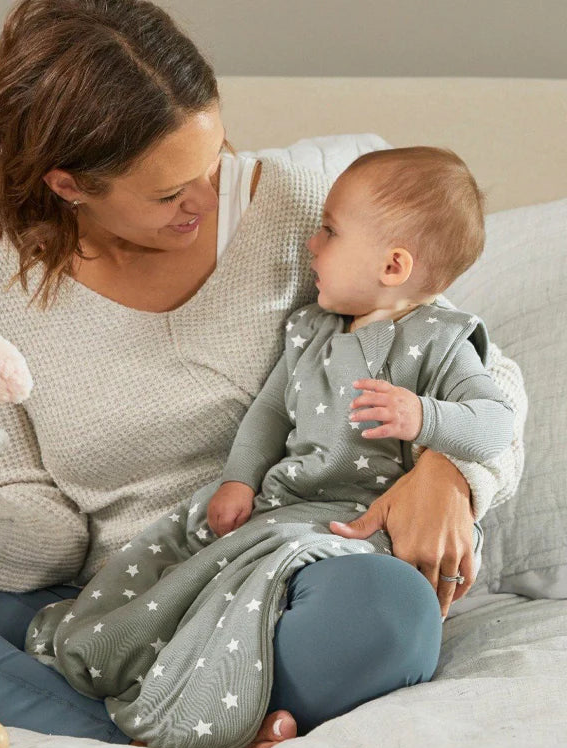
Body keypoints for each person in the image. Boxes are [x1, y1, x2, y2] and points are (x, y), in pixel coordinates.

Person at [0, 0, 525, 748]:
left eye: (214, 159)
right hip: (92, 603)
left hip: (265, 585)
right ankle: (158, 729)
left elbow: (464, 361)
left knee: (389, 612)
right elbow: (50, 544)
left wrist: (450, 471)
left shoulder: (301, 214)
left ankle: (122, 714)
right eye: (169, 194)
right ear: (69, 185)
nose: (208, 198)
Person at [209, 146, 515, 550]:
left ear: (392, 267)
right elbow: (271, 410)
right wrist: (238, 479)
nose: (312, 243)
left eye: (329, 231)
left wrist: (423, 416)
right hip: (290, 508)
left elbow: (497, 425)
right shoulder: (310, 331)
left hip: (383, 526)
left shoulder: (440, 340)